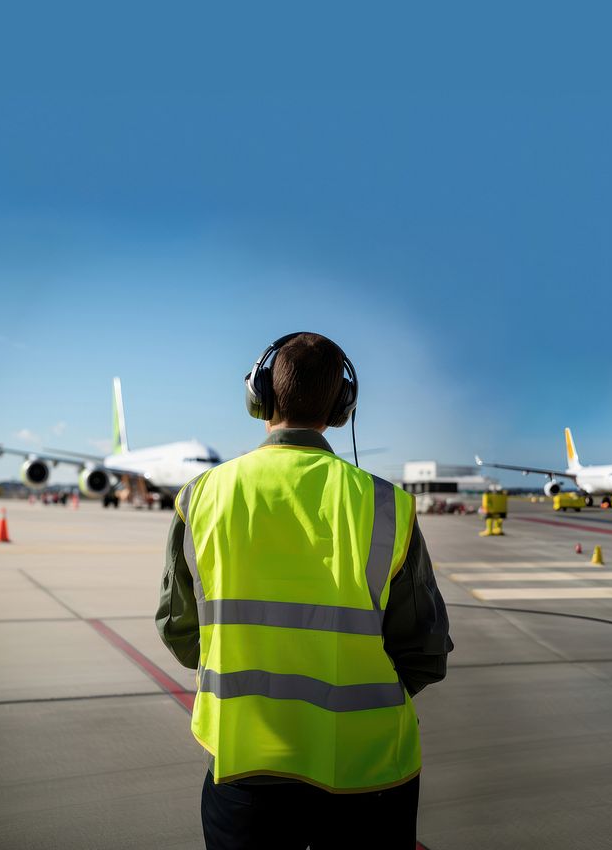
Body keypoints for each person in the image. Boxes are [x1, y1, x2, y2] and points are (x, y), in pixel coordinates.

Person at [156, 332, 453, 850]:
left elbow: (179, 632)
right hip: (370, 771)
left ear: (260, 395)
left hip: (245, 763)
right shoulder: (388, 507)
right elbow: (425, 652)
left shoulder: (201, 498)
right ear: (342, 407)